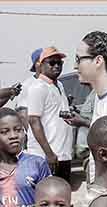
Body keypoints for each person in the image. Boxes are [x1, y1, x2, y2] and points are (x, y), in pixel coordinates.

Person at [22, 47, 72, 181]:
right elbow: (33, 121)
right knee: (47, 197)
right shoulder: (38, 87)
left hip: (62, 154)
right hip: (47, 156)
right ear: (41, 65)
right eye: (52, 63)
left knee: (62, 196)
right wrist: (49, 153)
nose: (56, 66)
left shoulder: (59, 85)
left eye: (59, 63)